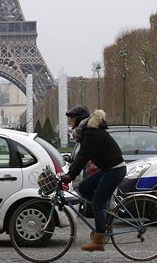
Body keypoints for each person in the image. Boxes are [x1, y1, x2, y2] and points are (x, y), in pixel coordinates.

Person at [61, 106, 126, 252]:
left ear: (78, 119)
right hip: (108, 169)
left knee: (97, 202)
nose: (70, 121)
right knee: (84, 187)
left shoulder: (91, 132)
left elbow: (84, 155)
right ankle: (102, 215)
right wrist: (70, 171)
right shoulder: (88, 131)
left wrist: (70, 175)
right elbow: (81, 156)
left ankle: (99, 241)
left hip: (115, 170)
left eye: (71, 118)